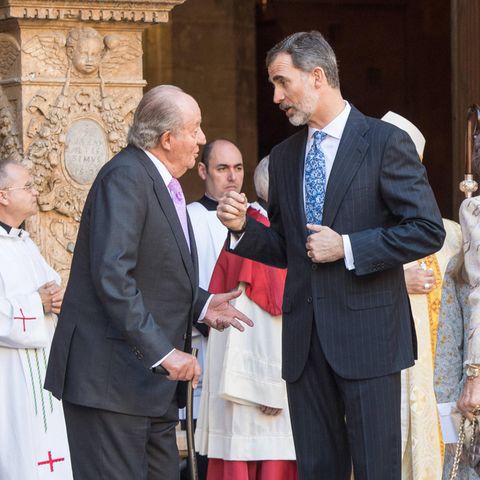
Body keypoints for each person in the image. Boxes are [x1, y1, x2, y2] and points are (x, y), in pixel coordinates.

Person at [217, 31, 445, 479]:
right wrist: (244, 229)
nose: (277, 96)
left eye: (282, 82)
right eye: (273, 86)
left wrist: (347, 247)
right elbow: (288, 247)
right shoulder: (283, 158)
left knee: (377, 470)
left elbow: (426, 230)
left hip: (370, 339)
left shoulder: (383, 142)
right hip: (304, 344)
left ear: (317, 76)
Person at [44, 85, 253, 480]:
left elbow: (156, 272)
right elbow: (113, 276)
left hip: (147, 388)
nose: (202, 139)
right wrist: (164, 353)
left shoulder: (158, 180)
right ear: (168, 138)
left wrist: (203, 305)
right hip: (111, 383)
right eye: (196, 129)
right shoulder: (125, 177)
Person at [196, 156, 297, 480]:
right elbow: (259, 324)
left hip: (242, 384)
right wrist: (269, 390)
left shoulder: (251, 229)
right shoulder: (262, 235)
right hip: (257, 393)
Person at [381, 112, 462, 479]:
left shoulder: (454, 236)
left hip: (441, 384)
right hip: (385, 378)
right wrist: (396, 281)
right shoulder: (359, 234)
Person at [0, 160, 72, 479]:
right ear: (3, 195)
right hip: (10, 374)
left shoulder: (25, 242)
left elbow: (50, 287)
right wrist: (37, 303)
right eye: (26, 186)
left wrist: (56, 297)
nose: (35, 192)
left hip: (43, 369)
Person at [181, 139, 244, 479]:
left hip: (246, 348)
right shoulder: (187, 219)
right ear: (203, 170)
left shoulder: (257, 221)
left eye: (237, 168)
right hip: (203, 347)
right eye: (222, 168)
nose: (232, 177)